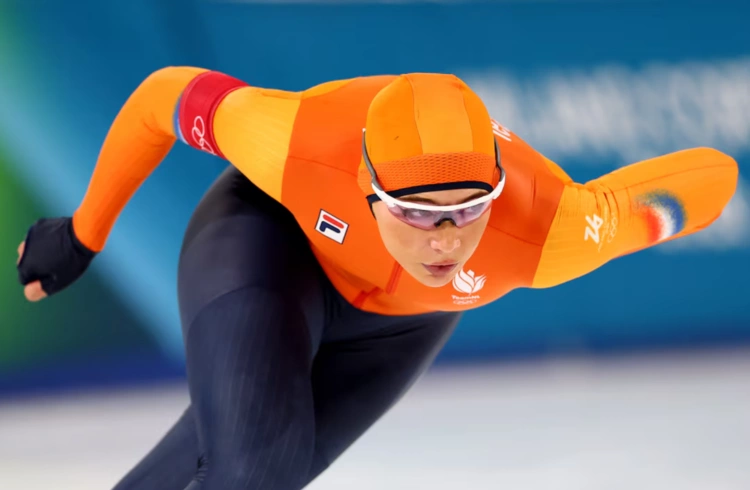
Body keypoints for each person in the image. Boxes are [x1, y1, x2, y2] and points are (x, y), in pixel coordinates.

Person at [15, 66, 738, 490]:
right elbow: (161, 98)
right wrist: (82, 233)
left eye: (470, 209)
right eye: (416, 213)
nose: (446, 240)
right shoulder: (296, 142)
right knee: (254, 472)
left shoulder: (548, 227)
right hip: (271, 248)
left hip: (399, 324)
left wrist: (634, 213)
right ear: (366, 188)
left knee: (252, 461)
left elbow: (714, 174)